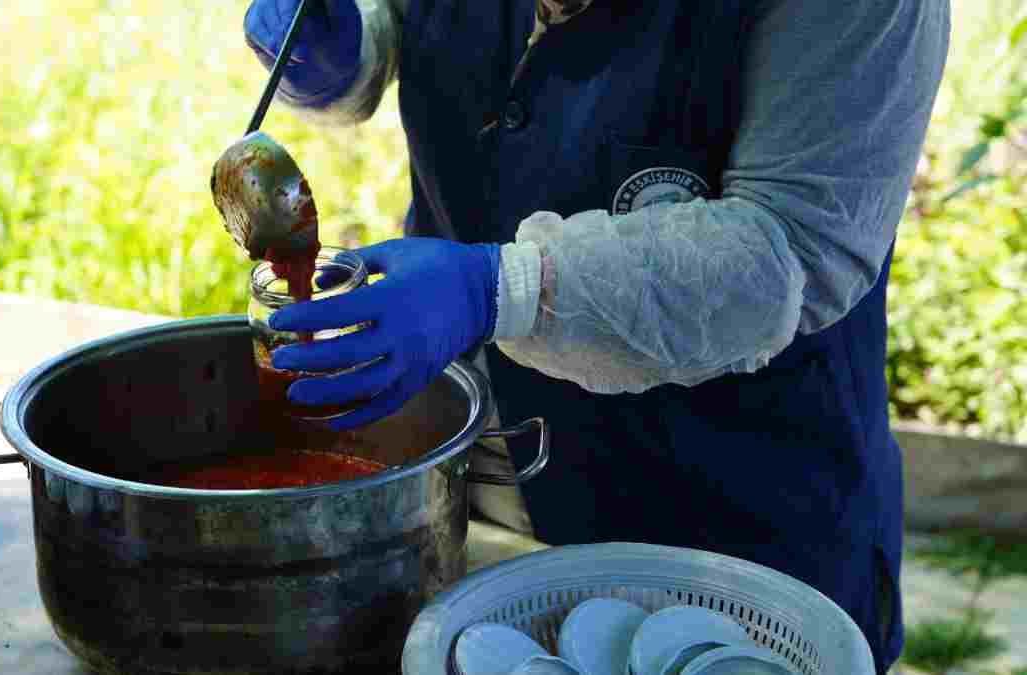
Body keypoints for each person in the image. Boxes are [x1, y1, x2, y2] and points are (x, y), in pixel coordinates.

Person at [242, 0, 949, 671]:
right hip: (490, 495)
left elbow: (787, 251)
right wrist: (346, 49)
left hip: (738, 522)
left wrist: (504, 289)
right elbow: (419, 21)